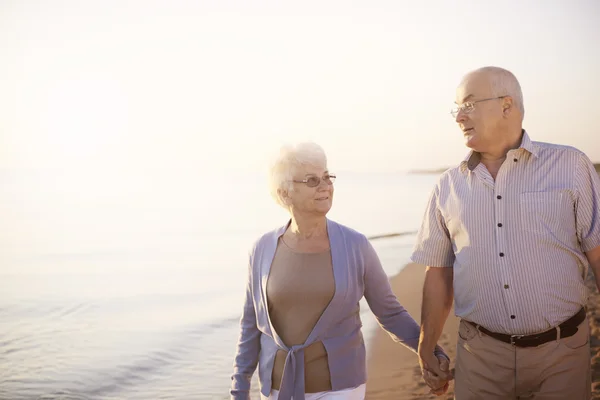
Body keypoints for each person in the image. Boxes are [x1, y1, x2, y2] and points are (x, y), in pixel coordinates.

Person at [412, 66, 600, 399]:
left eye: (468, 105)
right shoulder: (447, 187)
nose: (458, 117)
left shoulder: (570, 166)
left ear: (506, 105)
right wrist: (426, 347)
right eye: (456, 108)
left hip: (563, 354)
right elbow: (438, 274)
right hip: (480, 358)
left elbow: (597, 253)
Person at [230, 142, 449, 400]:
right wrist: (239, 389)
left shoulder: (355, 246)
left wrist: (432, 353)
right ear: (285, 192)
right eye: (312, 180)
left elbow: (389, 313)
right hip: (277, 388)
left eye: (326, 177)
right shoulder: (262, 250)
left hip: (341, 388)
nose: (325, 186)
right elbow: (250, 326)